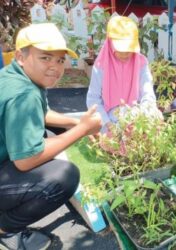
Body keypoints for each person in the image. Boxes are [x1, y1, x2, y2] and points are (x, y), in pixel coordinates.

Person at [0, 23, 102, 250]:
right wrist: (82, 130)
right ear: (21, 56)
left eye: (59, 60)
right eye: (45, 58)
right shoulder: (24, 93)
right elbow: (26, 160)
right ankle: (6, 229)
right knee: (64, 176)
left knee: (52, 133)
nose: (55, 67)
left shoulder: (15, 75)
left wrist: (75, 122)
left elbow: (41, 113)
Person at [86, 16, 160, 133]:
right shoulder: (101, 65)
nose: (125, 53)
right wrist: (108, 124)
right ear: (110, 43)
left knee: (155, 117)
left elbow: (148, 94)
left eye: (129, 48)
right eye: (121, 48)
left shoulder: (140, 63)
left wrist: (143, 117)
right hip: (107, 116)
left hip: (136, 114)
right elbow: (93, 99)